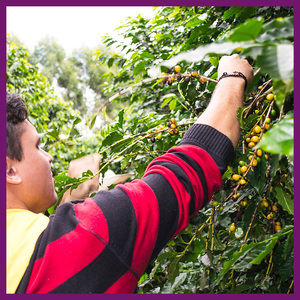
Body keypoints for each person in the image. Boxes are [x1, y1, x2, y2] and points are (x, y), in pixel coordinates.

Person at [6, 54, 253, 294]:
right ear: (10, 170)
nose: (48, 157)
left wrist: (68, 205)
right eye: (38, 146)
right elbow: (186, 173)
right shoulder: (90, 231)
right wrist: (233, 78)